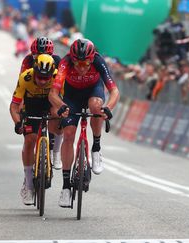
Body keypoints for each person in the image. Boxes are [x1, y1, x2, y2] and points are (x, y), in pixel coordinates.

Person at [48, 38, 120, 207]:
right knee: (68, 134)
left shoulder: (98, 61)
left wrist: (108, 108)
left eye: (85, 64)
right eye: (77, 64)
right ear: (72, 59)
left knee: (96, 107)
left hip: (93, 91)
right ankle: (66, 187)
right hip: (72, 96)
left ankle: (96, 148)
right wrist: (61, 106)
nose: (81, 68)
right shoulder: (65, 63)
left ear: (91, 59)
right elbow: (53, 93)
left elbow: (114, 91)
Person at [10, 54, 61, 205]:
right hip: (31, 106)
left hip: (49, 103)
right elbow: (14, 106)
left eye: (47, 78)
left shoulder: (58, 77)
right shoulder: (25, 77)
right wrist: (17, 122)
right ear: (34, 71)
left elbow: (62, 102)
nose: (43, 81)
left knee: (57, 115)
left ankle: (52, 149)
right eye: (40, 77)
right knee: (30, 139)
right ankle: (28, 183)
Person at [19, 36, 63, 170]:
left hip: (50, 95)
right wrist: (21, 111)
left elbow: (61, 89)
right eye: (36, 55)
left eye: (45, 55)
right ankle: (28, 180)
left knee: (58, 115)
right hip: (32, 97)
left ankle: (55, 151)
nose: (40, 58)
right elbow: (22, 86)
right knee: (29, 140)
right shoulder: (27, 61)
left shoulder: (57, 61)